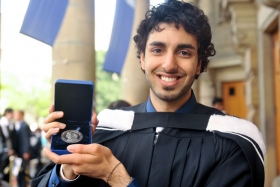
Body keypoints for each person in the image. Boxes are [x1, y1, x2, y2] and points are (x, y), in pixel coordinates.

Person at [32, 1, 265, 187]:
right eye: (157, 50)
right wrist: (69, 169)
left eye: (184, 52)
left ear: (199, 64)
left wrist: (116, 176)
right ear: (143, 59)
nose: (169, 64)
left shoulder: (231, 143)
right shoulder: (107, 130)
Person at [13, 110, 32, 187]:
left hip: (23, 152)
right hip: (19, 151)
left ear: (21, 115)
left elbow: (26, 139)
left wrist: (26, 151)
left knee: (23, 170)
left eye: (16, 114)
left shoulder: (24, 125)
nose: (15, 116)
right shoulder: (17, 124)